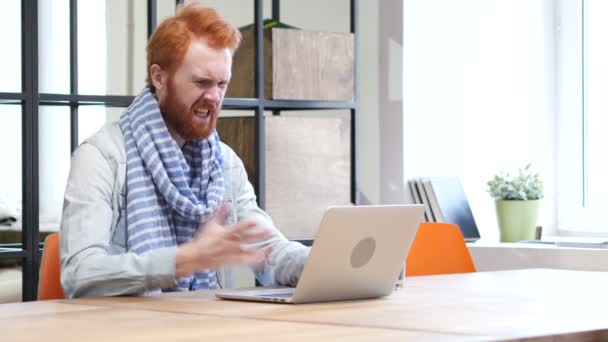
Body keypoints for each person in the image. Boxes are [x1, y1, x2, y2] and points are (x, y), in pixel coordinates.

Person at [59, 4, 309, 298]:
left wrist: (320, 264)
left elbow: (268, 250)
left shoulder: (224, 163)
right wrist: (184, 260)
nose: (214, 97)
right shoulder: (102, 157)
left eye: (222, 84)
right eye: (202, 82)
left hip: (205, 327)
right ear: (159, 77)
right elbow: (80, 274)